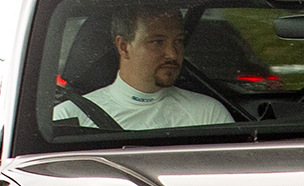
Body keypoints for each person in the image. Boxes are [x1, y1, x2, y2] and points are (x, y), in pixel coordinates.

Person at [61, 7, 233, 130]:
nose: (172, 54)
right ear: (124, 46)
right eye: (157, 42)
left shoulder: (207, 114)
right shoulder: (70, 116)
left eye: (178, 41)